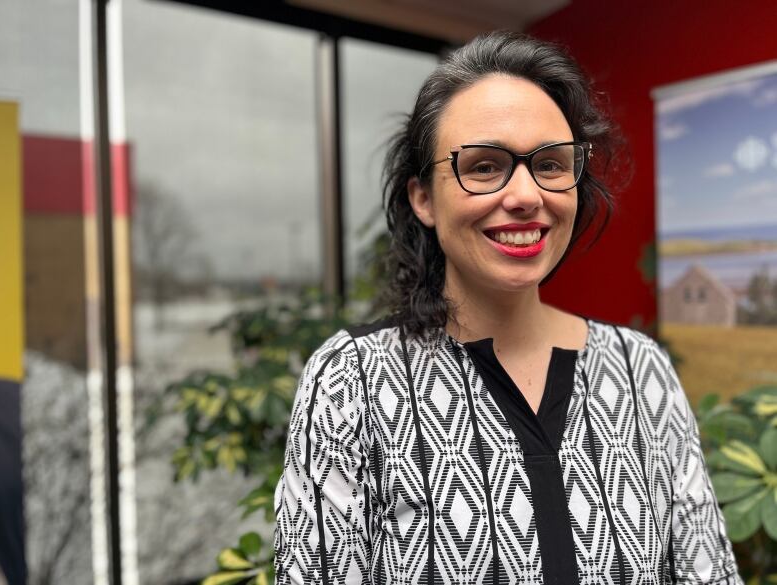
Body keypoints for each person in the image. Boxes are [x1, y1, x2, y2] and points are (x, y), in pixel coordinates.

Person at [274, 31, 742, 584]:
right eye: (484, 166)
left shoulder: (641, 370)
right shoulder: (353, 381)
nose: (525, 195)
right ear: (423, 198)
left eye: (549, 164)